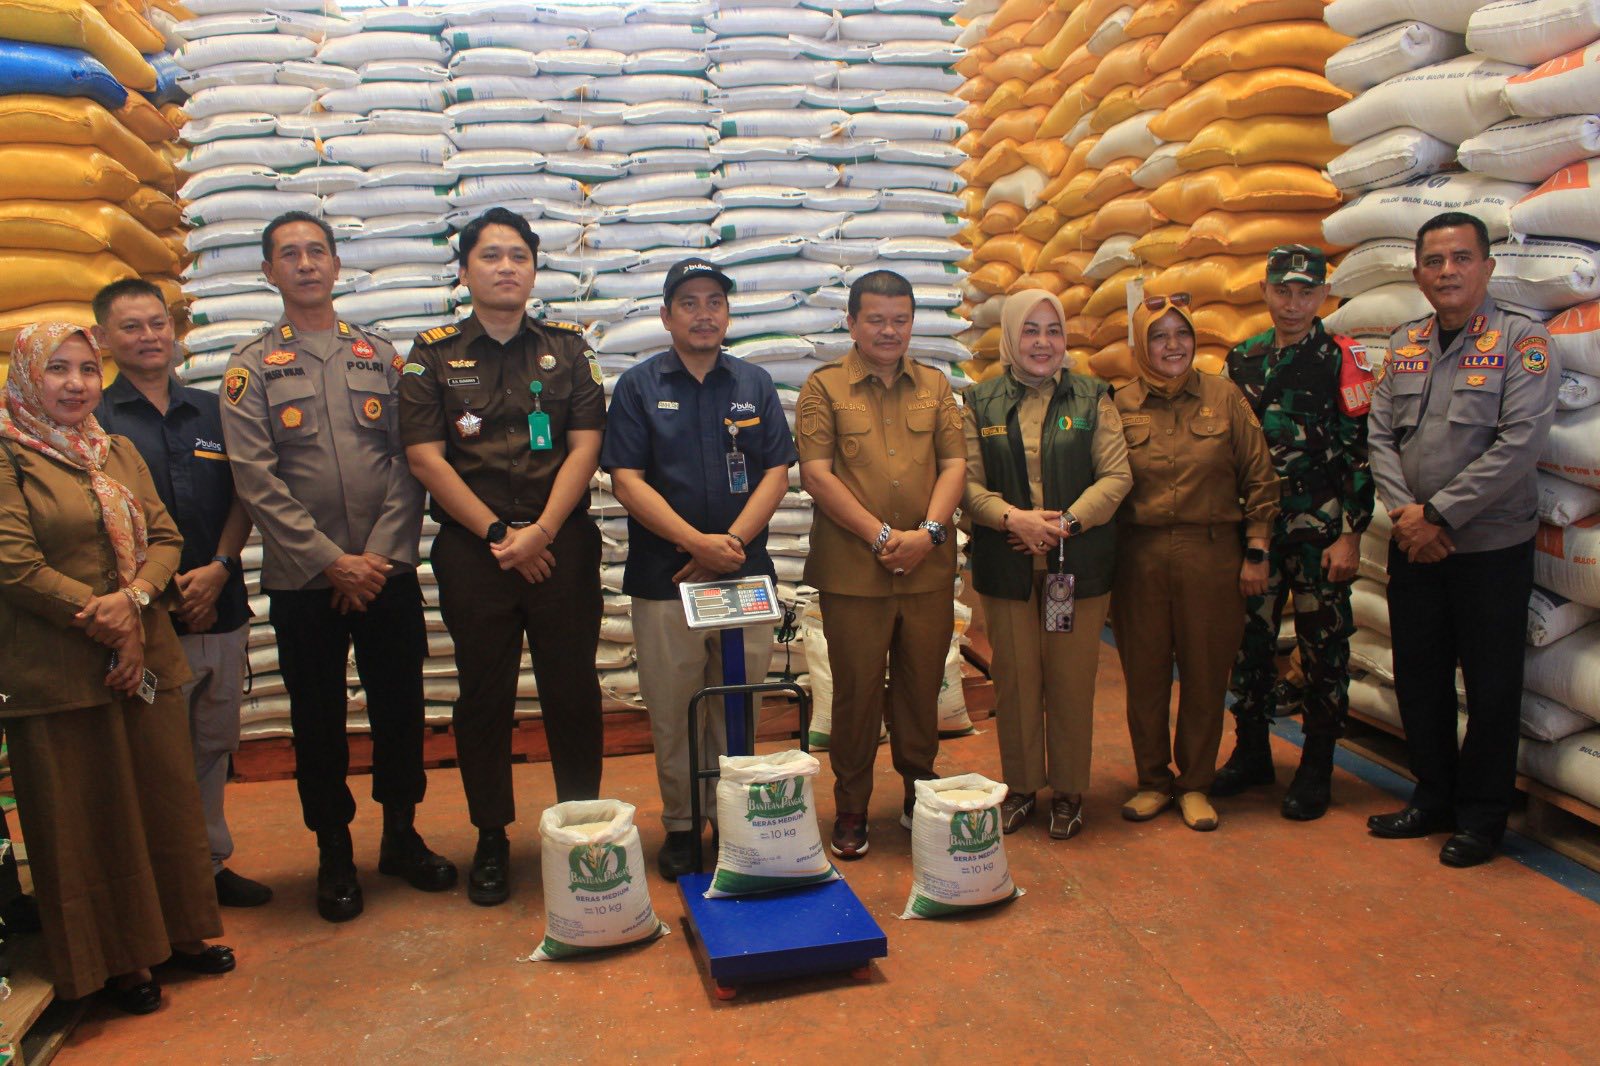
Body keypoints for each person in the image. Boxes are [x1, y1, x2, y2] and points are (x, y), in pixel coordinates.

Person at [221, 212, 456, 924]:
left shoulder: (379, 356)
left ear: (336, 264)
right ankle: (333, 853)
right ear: (269, 272)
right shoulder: (250, 367)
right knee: (317, 721)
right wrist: (332, 562)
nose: (305, 264)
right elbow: (255, 479)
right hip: (303, 581)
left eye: (316, 251)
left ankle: (401, 837)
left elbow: (412, 461)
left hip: (386, 574)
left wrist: (377, 559)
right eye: (289, 254)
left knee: (400, 709)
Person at [0, 322, 234, 1014]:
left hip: (145, 653)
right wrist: (105, 614)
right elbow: (13, 563)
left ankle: (182, 932)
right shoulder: (9, 457)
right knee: (85, 815)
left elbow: (165, 536)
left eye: (85, 369)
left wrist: (132, 604)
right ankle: (118, 958)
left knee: (164, 797)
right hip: (59, 668)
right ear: (25, 377)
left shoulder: (116, 450)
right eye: (57, 369)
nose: (75, 384)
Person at [400, 207, 606, 905]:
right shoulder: (431, 354)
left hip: (561, 545)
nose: (506, 268)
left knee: (572, 692)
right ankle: (492, 835)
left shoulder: (569, 349)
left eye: (519, 256)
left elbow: (586, 446)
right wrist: (499, 536)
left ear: (535, 270)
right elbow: (425, 458)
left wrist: (540, 532)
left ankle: (583, 827)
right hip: (473, 552)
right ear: (464, 272)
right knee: (483, 698)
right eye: (490, 256)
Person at [1366, 212, 1559, 867]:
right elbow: (1380, 436)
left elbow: (1519, 443)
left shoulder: (1522, 342)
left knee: (1490, 686)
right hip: (1413, 543)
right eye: (1434, 261)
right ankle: (1432, 797)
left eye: (1460, 258)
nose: (1446, 271)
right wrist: (1406, 516)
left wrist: (1438, 517)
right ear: (1418, 272)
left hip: (1488, 551)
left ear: (1487, 266)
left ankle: (1481, 818)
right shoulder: (1406, 343)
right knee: (1419, 678)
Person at [601, 259, 798, 879]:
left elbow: (777, 472)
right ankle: (684, 825)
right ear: (666, 316)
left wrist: (730, 542)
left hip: (744, 573)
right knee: (675, 707)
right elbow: (626, 480)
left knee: (738, 704)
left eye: (715, 301)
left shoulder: (754, 383)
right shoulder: (638, 387)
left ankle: (737, 819)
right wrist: (695, 544)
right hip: (667, 580)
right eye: (689, 303)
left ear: (728, 314)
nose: (704, 314)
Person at [92, 279, 272, 907]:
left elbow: (246, 495)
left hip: (220, 607)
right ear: (104, 339)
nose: (149, 337)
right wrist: (159, 589)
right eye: (131, 327)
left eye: (158, 323)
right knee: (152, 751)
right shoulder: (95, 421)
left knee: (213, 742)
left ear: (175, 332)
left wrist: (221, 566)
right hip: (145, 622)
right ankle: (158, 877)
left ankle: (208, 866)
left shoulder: (214, 412)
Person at [796, 270, 966, 859]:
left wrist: (929, 535)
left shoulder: (936, 387)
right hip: (853, 574)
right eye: (876, 319)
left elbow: (954, 465)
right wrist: (884, 536)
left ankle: (920, 789)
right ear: (851, 322)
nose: (889, 331)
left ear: (912, 322)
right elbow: (816, 474)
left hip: (927, 570)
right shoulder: (823, 387)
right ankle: (851, 806)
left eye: (900, 320)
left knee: (921, 686)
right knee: (856, 693)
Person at [1213, 246, 1376, 821]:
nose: (1293, 304)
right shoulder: (1242, 359)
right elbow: (1228, 450)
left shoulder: (1340, 359)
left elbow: (1361, 452)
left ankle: (1317, 764)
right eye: (1283, 291)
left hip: (1319, 531)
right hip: (1256, 532)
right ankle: (1252, 749)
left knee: (1323, 646)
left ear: (1323, 297)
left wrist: (1352, 533)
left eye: (1306, 293)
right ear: (1265, 290)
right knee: (1250, 642)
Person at [962, 289, 1132, 839]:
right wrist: (1014, 519)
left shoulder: (1093, 396)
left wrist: (1065, 525)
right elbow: (965, 483)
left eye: (1053, 330)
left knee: (1070, 681)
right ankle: (1020, 787)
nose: (1042, 342)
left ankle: (1069, 790)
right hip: (1007, 567)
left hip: (1074, 566)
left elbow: (1116, 476)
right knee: (1014, 681)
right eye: (1030, 330)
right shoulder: (980, 401)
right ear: (1011, 336)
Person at [1110, 293, 1280, 832]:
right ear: (1142, 345)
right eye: (1159, 336)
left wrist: (1257, 550)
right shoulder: (1118, 403)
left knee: (1206, 673)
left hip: (1211, 553)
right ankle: (1152, 780)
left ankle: (1196, 784)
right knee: (1145, 674)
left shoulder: (1224, 397)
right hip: (1138, 556)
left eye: (1182, 334)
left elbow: (1260, 477)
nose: (1173, 346)